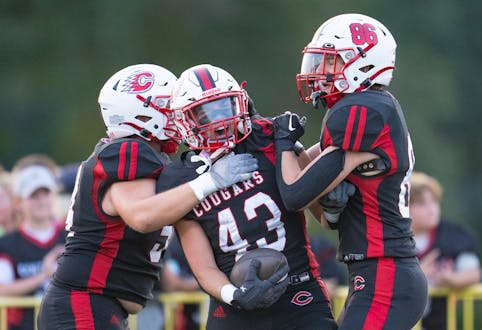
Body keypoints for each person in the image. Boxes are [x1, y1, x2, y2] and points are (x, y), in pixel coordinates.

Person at [37, 63, 259, 330]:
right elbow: (142, 217)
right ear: (142, 113)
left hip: (97, 304)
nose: (177, 112)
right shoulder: (129, 150)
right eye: (169, 106)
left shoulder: (142, 154)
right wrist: (211, 181)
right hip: (84, 302)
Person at [272, 13, 428, 329]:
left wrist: (283, 141)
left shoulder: (363, 110)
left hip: (387, 277)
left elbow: (294, 194)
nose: (319, 72)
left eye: (331, 62)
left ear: (364, 64)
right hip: (375, 275)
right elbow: (311, 183)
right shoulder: (371, 107)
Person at [157, 63, 337, 329]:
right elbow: (203, 265)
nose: (219, 121)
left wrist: (333, 196)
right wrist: (234, 295)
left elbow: (319, 211)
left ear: (241, 103)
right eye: (204, 114)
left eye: (224, 106)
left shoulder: (269, 138)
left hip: (298, 291)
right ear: (184, 120)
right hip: (233, 304)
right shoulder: (179, 178)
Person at [409, 171, 482, 330]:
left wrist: (451, 279)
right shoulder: (391, 238)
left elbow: (474, 273)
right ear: (405, 207)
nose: (432, 209)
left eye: (434, 202)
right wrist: (416, 276)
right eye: (422, 204)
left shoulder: (453, 234)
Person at [0, 163, 66, 330]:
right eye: (34, 195)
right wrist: (44, 275)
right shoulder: (7, 244)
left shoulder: (71, 237)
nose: (41, 201)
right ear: (18, 202)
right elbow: (2, 289)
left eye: (46, 193)